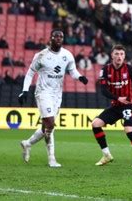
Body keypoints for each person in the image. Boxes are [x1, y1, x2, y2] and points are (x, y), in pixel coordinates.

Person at [19, 29, 88, 167]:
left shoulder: (67, 55)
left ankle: (27, 144)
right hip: (43, 92)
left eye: (61, 37)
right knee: (50, 124)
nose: (59, 38)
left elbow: (72, 70)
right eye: (56, 36)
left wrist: (80, 77)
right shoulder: (41, 55)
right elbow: (30, 73)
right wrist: (24, 91)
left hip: (57, 94)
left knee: (46, 127)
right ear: (50, 39)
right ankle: (51, 159)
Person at [92, 44, 132, 168]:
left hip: (129, 105)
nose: (119, 56)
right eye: (117, 54)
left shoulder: (130, 69)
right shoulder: (106, 70)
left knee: (128, 128)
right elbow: (103, 90)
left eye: (122, 54)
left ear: (124, 56)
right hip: (116, 105)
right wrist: (117, 98)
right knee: (95, 124)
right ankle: (106, 154)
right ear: (112, 55)